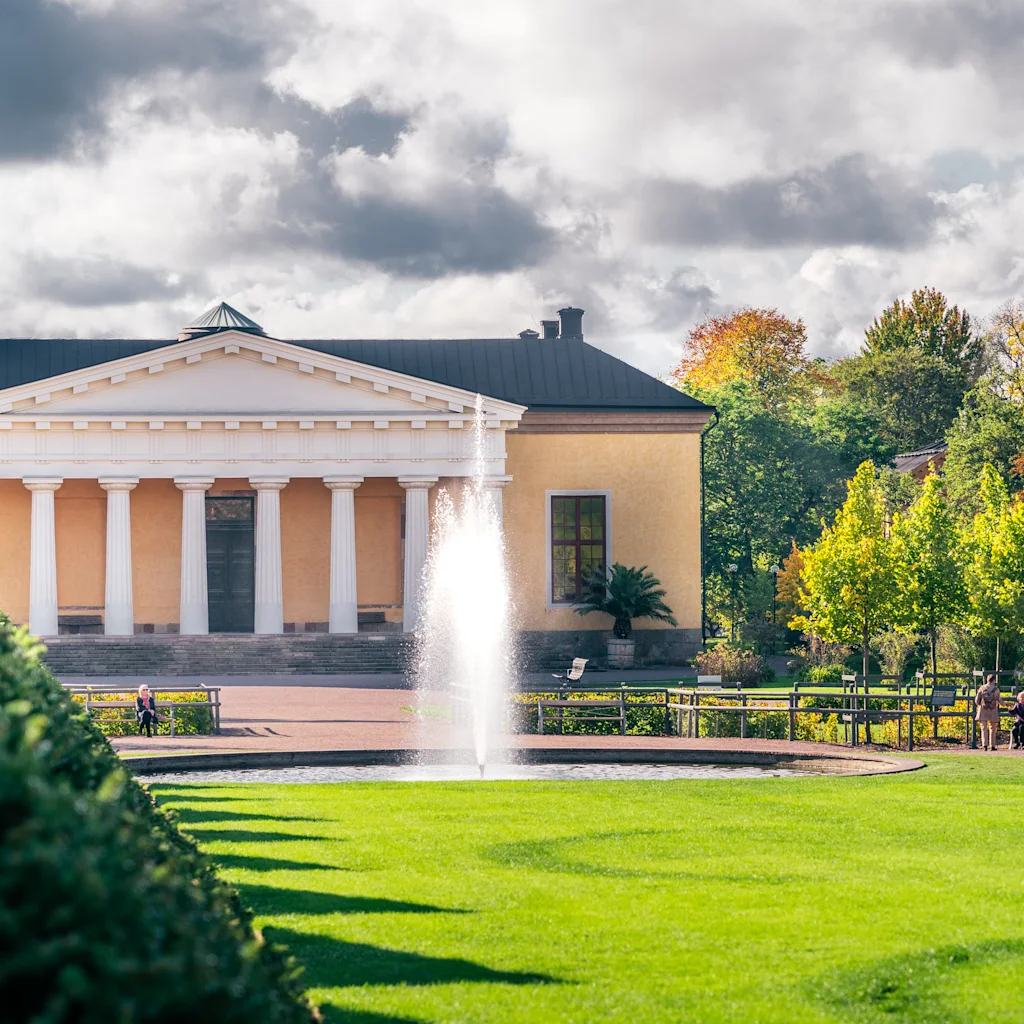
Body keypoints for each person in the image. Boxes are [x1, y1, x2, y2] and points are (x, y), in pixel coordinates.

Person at [975, 673, 1002, 751]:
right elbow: (999, 699)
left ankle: (984, 745)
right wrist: (1005, 704)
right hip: (992, 710)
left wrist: (980, 705)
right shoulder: (996, 689)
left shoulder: (982, 688)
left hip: (983, 710)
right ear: (994, 680)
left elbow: (977, 699)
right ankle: (992, 745)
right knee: (992, 728)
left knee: (983, 727)